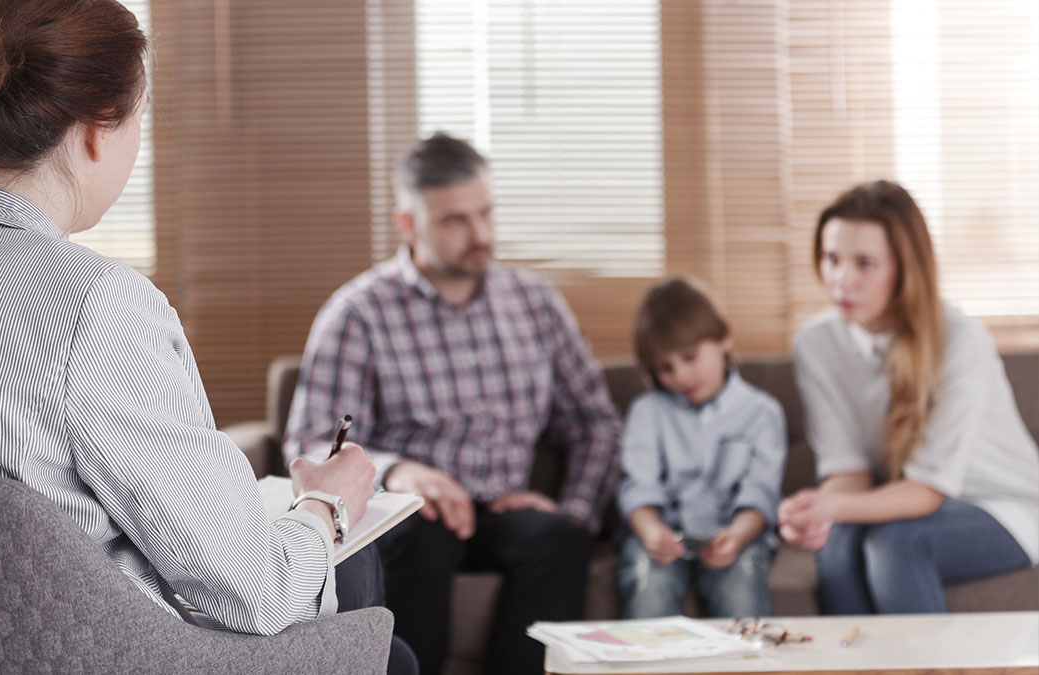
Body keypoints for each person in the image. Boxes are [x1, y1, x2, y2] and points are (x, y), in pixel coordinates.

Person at [0, 2, 415, 671]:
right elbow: (254, 593)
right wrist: (327, 503)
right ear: (97, 129)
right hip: (122, 656)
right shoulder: (94, 304)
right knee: (368, 604)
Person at [284, 131, 622, 675]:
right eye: (455, 220)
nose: (480, 234)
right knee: (425, 535)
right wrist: (401, 470)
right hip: (415, 515)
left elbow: (594, 423)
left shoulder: (535, 305)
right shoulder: (358, 313)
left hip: (506, 510)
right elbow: (312, 444)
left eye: (485, 213)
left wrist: (574, 508)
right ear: (409, 224)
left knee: (561, 539)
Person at [778, 180, 1039, 614]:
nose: (842, 280)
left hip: (1004, 507)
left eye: (865, 263)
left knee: (898, 543)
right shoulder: (816, 343)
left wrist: (832, 504)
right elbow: (849, 470)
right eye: (831, 259)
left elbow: (926, 492)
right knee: (838, 545)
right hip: (900, 502)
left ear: (904, 268)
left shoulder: (959, 339)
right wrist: (817, 513)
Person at [614, 278, 787, 619]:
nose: (680, 376)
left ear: (724, 338)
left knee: (741, 590)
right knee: (649, 583)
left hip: (736, 535)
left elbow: (760, 494)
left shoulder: (761, 413)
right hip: (663, 539)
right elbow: (639, 488)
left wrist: (736, 536)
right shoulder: (647, 412)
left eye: (690, 357)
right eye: (665, 368)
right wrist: (652, 532)